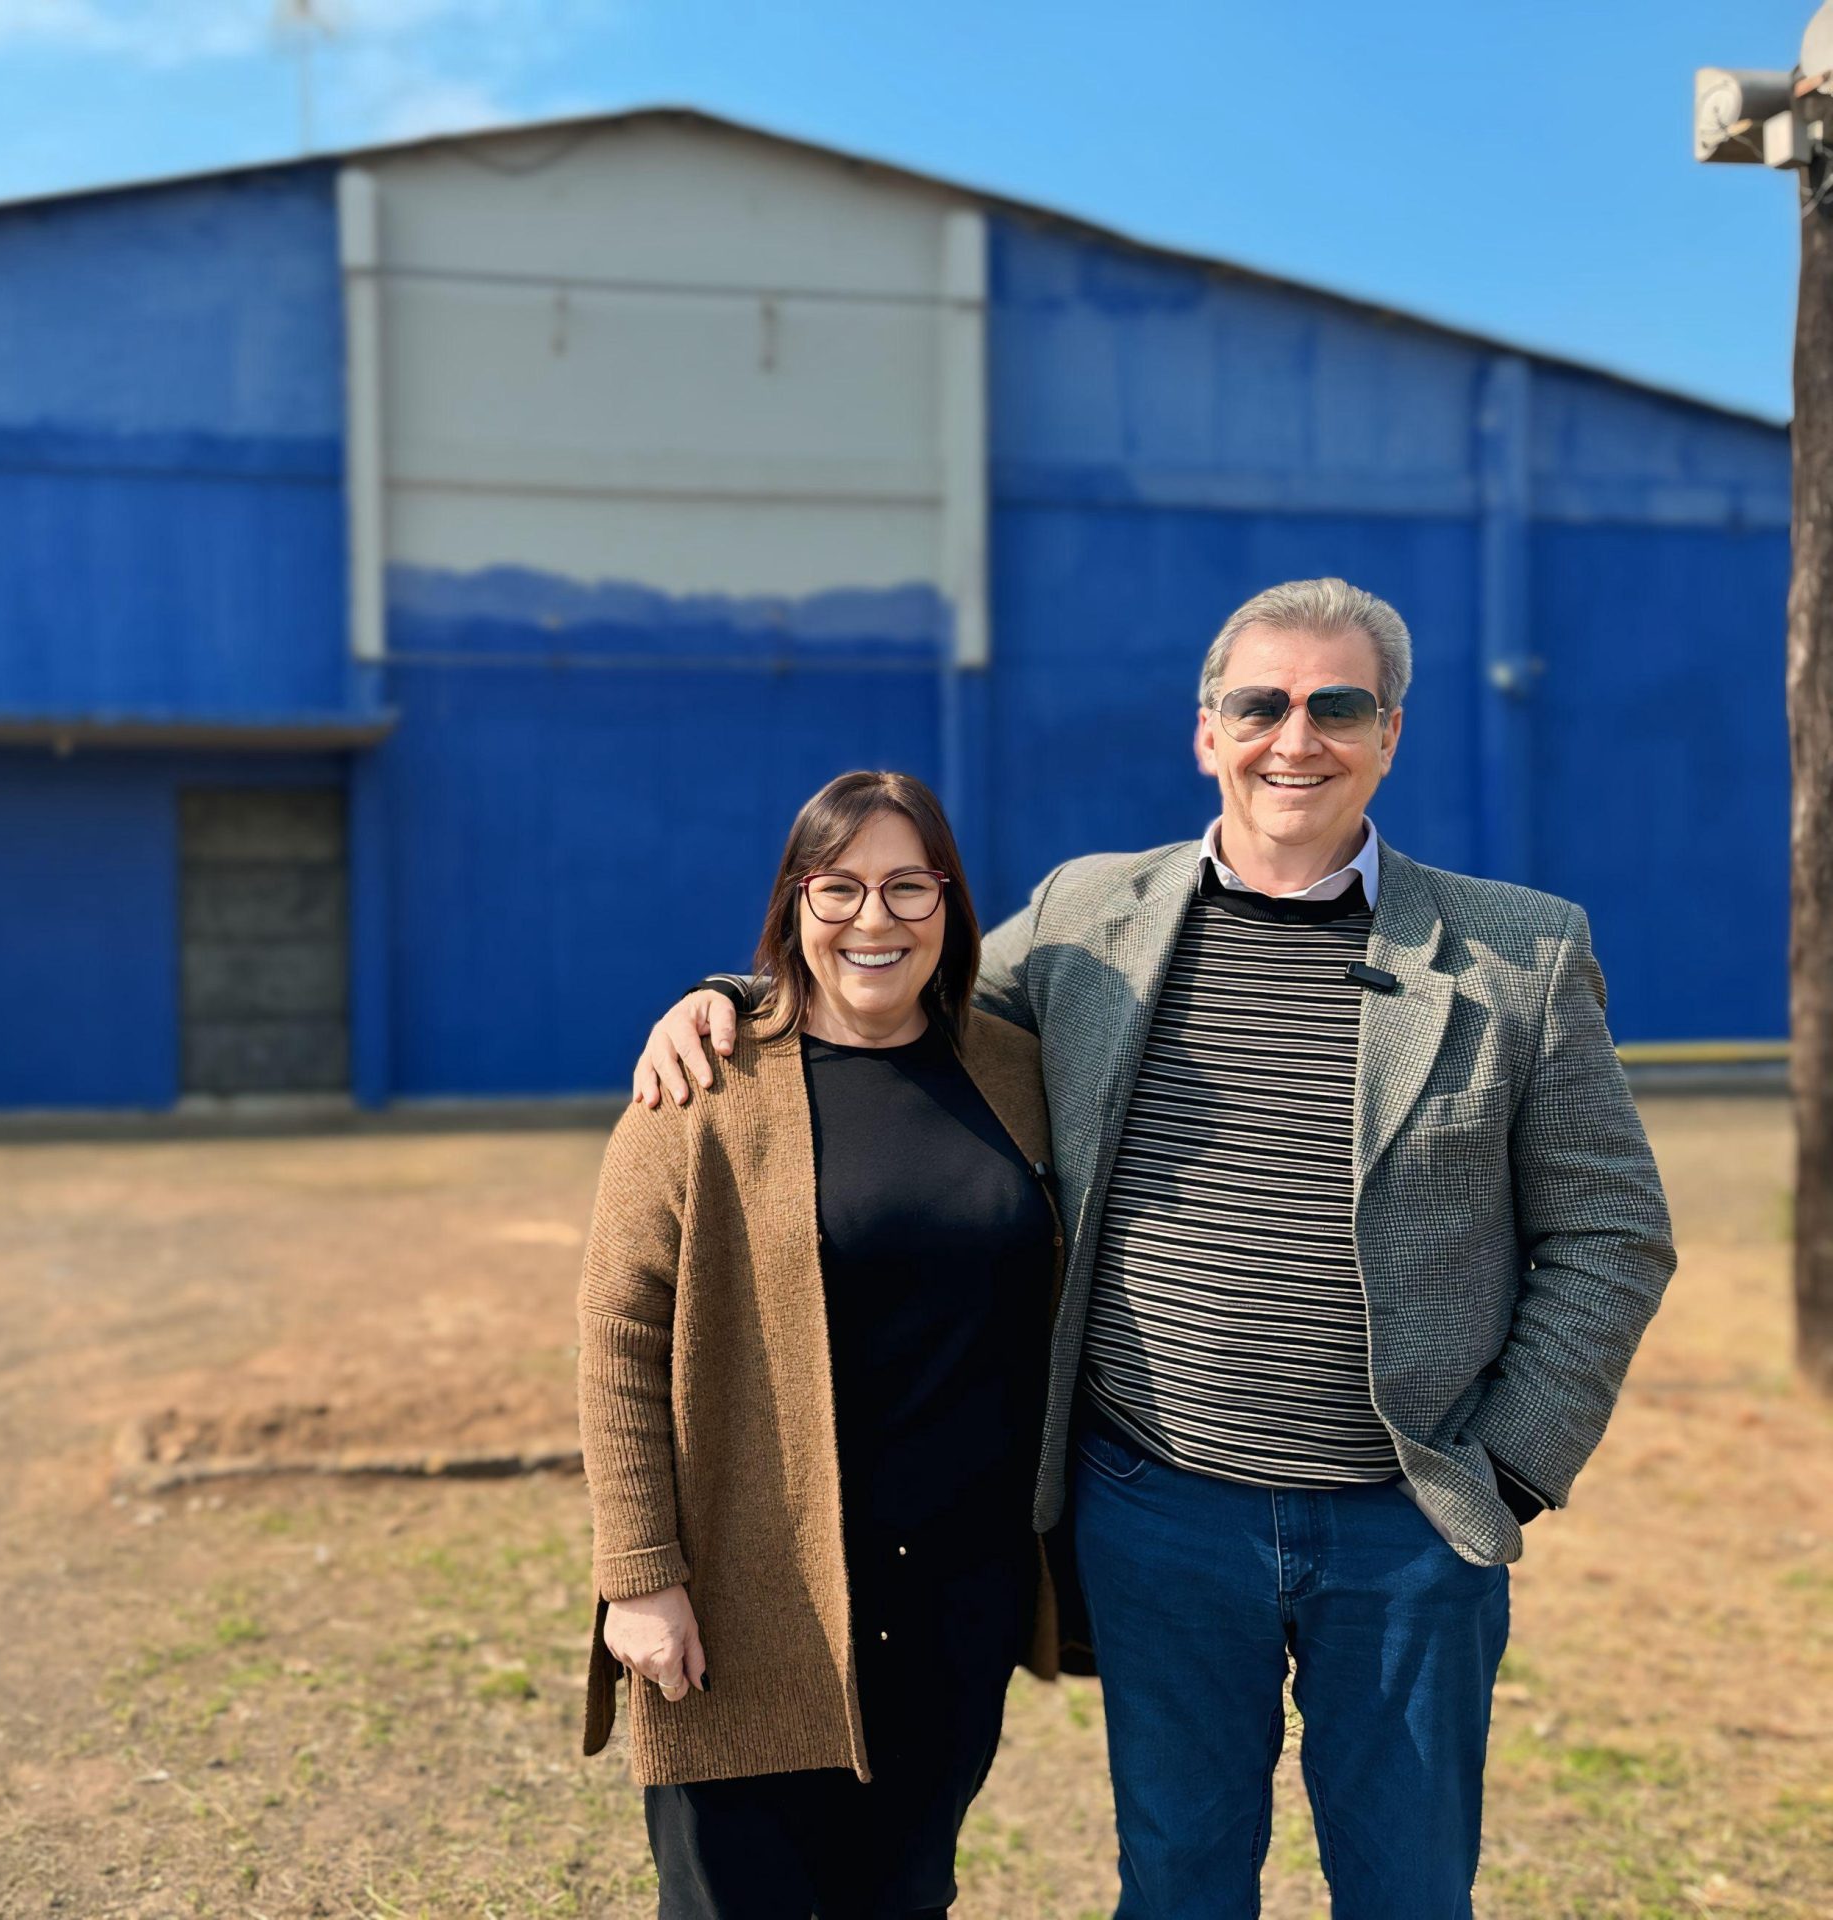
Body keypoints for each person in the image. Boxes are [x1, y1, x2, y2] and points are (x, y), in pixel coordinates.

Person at [632, 578, 1675, 1919]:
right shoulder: (1087, 921)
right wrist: (733, 996)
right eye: (1261, 704)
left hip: (1406, 1533)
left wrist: (1514, 1464)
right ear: (1207, 732)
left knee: (1409, 1889)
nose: (1294, 739)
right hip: (1159, 1511)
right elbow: (894, 987)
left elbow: (1613, 1230)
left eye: (1336, 705)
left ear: (1390, 733)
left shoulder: (1516, 955)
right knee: (1178, 1886)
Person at [577, 769, 1085, 1920]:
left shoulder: (1013, 1071)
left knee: (904, 1893)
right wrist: (639, 1578)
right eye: (839, 886)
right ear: (792, 905)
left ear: (951, 905)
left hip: (958, 1590)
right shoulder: (705, 1081)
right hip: (751, 1591)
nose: (874, 919)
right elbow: (617, 1342)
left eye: (910, 885)